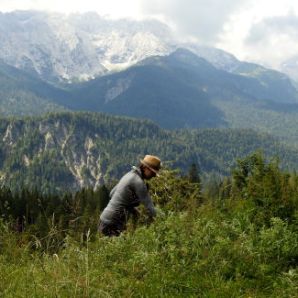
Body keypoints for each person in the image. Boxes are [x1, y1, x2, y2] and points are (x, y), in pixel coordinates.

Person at [99, 155, 161, 237]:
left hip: (104, 220)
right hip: (114, 223)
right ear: (145, 168)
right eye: (153, 172)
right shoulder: (139, 183)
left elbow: (112, 193)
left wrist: (130, 207)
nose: (153, 176)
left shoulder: (129, 175)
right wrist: (164, 220)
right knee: (119, 249)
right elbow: (150, 208)